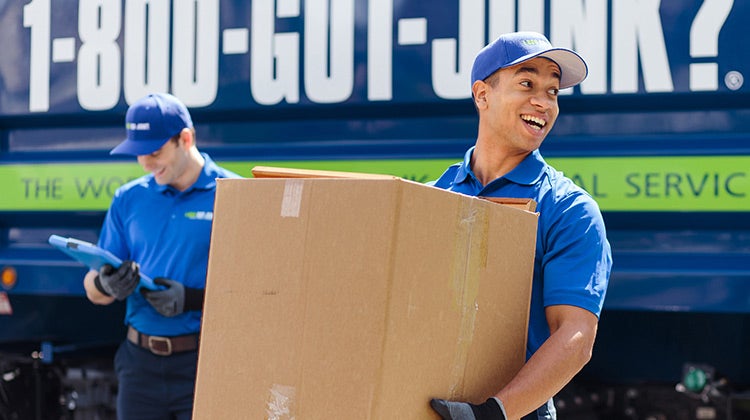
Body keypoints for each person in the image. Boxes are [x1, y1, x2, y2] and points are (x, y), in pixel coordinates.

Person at [429, 32, 612, 420]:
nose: (542, 102)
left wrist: (492, 414)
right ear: (482, 95)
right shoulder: (433, 197)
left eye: (553, 91)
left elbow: (575, 337)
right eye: (527, 83)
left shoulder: (568, 210)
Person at [82, 92, 241, 419]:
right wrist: (106, 284)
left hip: (206, 364)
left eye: (155, 152)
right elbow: (91, 288)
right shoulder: (129, 199)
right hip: (139, 367)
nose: (146, 163)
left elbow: (264, 291)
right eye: (139, 154)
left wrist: (195, 299)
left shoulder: (236, 196)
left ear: (186, 138)